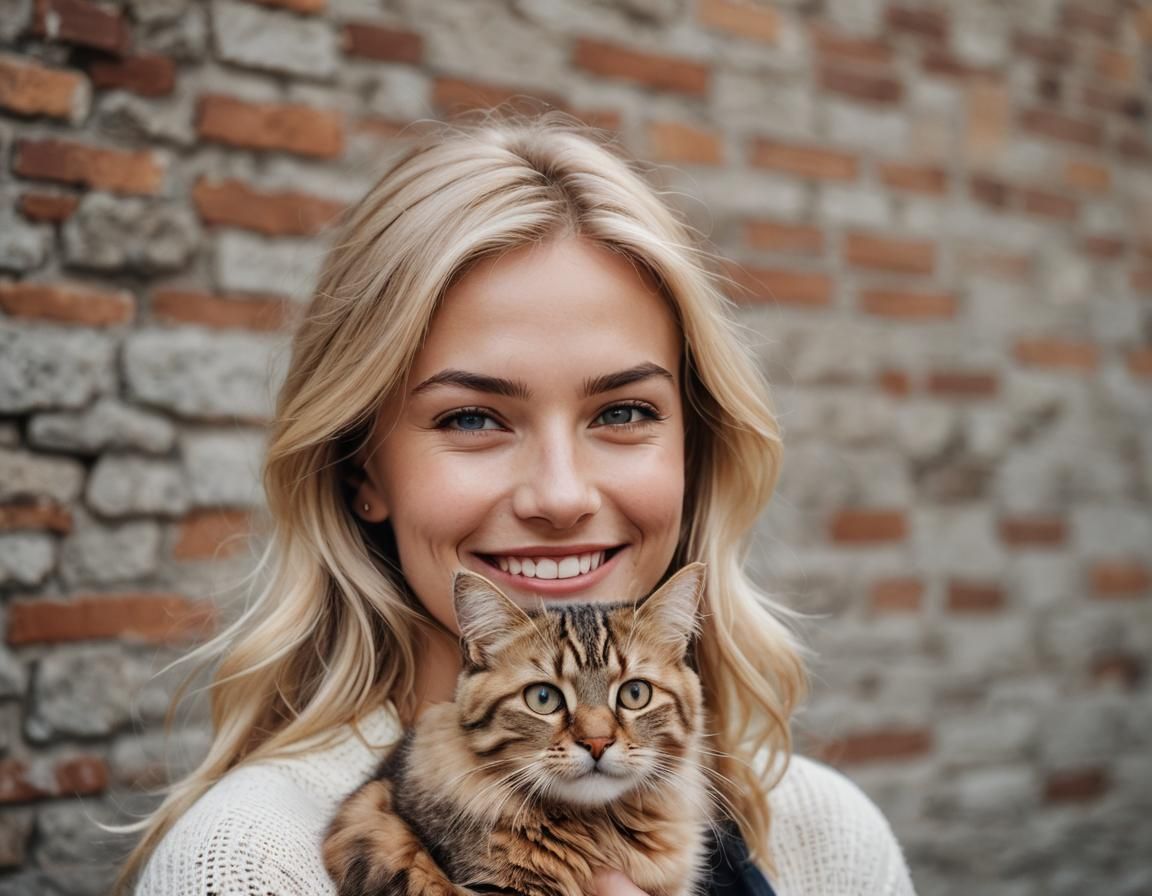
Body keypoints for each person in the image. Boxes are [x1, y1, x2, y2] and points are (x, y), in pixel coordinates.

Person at [119, 112, 916, 895]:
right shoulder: (240, 868)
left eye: (623, 412)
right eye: (472, 418)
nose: (561, 497)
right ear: (360, 471)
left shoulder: (830, 837)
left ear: (691, 450)